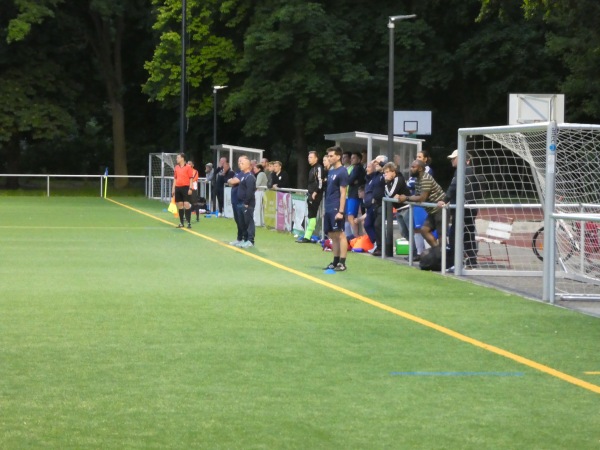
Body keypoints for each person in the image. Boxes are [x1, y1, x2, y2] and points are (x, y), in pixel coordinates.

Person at [437, 149, 479, 268]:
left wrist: (445, 200)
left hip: (464, 208)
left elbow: (453, 187)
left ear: (460, 159)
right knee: (468, 234)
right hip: (470, 207)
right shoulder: (470, 171)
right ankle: (471, 261)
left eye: (453, 158)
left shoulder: (462, 171)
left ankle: (455, 262)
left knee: (455, 235)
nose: (451, 160)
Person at [398, 160, 445, 247]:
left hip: (440, 208)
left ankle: (443, 256)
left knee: (441, 234)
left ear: (420, 168)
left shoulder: (425, 178)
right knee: (424, 230)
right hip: (431, 210)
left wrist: (406, 197)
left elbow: (422, 198)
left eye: (413, 167)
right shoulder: (418, 179)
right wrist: (406, 197)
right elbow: (417, 195)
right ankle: (438, 252)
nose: (411, 169)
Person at [323, 146, 349, 271]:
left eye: (331, 155)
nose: (329, 158)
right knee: (333, 235)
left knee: (340, 234)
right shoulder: (331, 171)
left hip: (336, 206)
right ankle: (335, 260)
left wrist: (341, 211)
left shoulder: (342, 171)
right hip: (328, 205)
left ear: (338, 157)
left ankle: (342, 263)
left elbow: (343, 192)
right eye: (328, 156)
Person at [297, 151, 324, 243]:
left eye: (311, 157)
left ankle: (308, 236)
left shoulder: (319, 168)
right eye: (308, 157)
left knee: (312, 215)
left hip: (315, 195)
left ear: (316, 158)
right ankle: (307, 235)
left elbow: (320, 182)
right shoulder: (312, 169)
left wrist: (315, 192)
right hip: (310, 194)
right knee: (310, 215)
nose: (309, 159)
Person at [383, 162, 411, 247]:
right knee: (403, 232)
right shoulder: (391, 181)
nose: (386, 174)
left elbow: (390, 193)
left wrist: (387, 183)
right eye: (385, 173)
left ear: (393, 171)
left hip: (406, 208)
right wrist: (392, 194)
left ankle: (415, 252)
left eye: (387, 172)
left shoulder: (398, 178)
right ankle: (413, 251)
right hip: (399, 209)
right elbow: (387, 195)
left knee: (410, 231)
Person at [232, 155, 257, 248]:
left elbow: (250, 191)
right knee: (242, 222)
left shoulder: (250, 176)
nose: (240, 164)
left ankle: (250, 240)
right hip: (240, 203)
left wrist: (246, 203)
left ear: (248, 165)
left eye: (242, 163)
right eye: (239, 163)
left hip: (247, 204)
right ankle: (244, 239)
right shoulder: (243, 175)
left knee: (249, 222)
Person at [346, 152, 366, 238]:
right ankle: (355, 236)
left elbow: (349, 180)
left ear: (359, 159)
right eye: (351, 158)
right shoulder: (355, 168)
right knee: (352, 217)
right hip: (353, 194)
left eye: (354, 158)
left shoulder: (358, 168)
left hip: (354, 195)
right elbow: (349, 180)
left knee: (351, 216)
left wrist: (351, 180)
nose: (351, 159)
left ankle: (356, 236)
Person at [171, 153, 194, 228]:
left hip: (185, 187)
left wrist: (190, 188)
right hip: (178, 187)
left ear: (182, 158)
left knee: (186, 204)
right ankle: (181, 222)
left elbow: (191, 178)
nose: (176, 159)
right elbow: (175, 178)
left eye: (178, 157)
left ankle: (189, 222)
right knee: (180, 205)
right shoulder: (176, 167)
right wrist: (173, 188)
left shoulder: (188, 167)